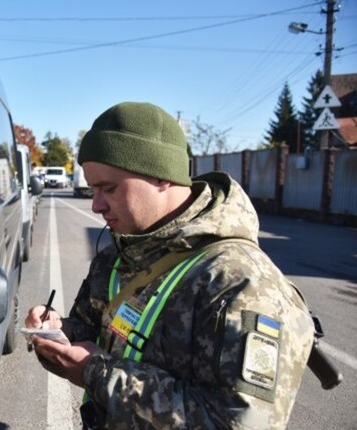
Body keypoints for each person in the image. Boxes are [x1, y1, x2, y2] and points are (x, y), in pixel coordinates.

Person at [25, 101, 315, 429]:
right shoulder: (122, 252)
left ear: (162, 176)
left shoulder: (239, 281)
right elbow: (93, 329)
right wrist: (57, 332)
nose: (96, 205)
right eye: (93, 188)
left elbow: (238, 422)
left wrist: (97, 372)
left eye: (109, 188)